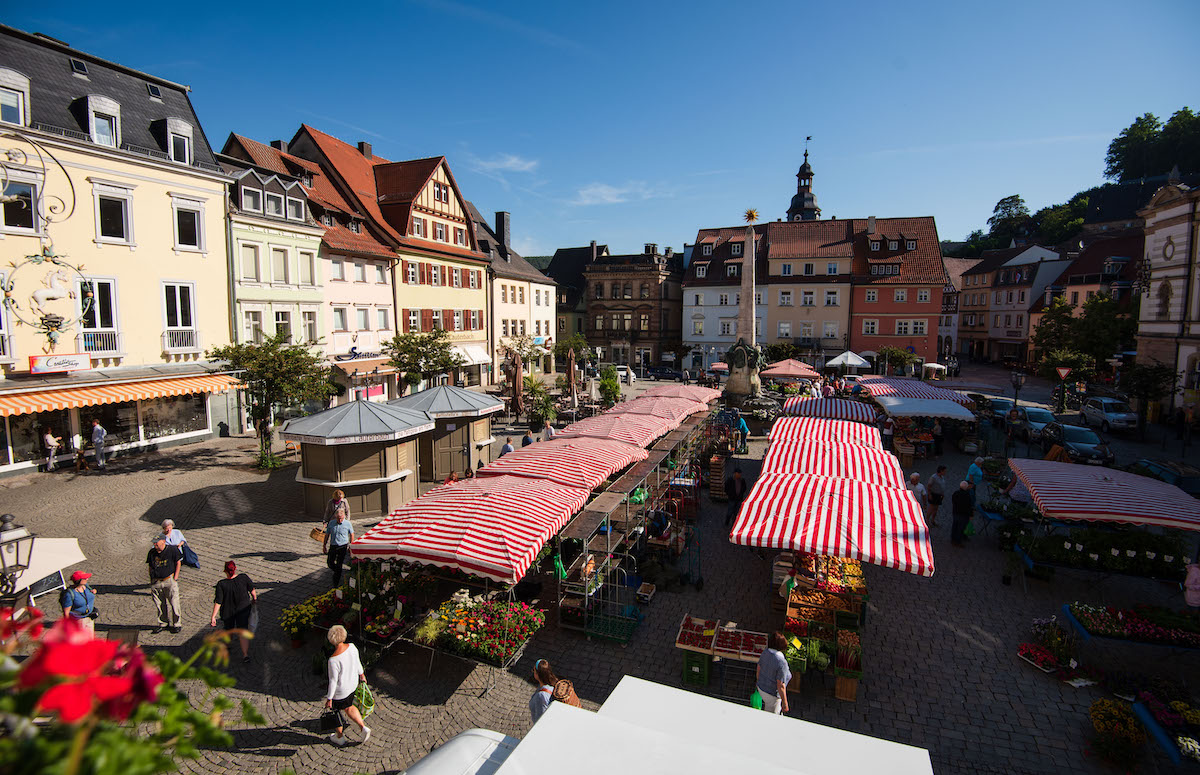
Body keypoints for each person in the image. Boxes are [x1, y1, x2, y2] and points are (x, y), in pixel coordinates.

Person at [324, 625, 370, 746]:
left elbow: (333, 681)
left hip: (340, 692)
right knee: (349, 706)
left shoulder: (333, 660)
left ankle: (339, 737)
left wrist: (329, 698)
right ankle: (363, 727)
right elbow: (358, 662)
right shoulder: (352, 647)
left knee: (336, 713)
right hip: (352, 685)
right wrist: (362, 675)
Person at [210, 560, 257, 662]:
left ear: (225, 571)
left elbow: (218, 601)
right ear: (235, 568)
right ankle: (245, 655)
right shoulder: (243, 578)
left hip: (228, 612)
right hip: (243, 610)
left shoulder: (221, 584)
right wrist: (254, 599)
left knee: (228, 629)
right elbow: (252, 591)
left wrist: (213, 616)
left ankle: (227, 645)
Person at [146, 534, 183, 633]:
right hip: (156, 582)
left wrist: (175, 577)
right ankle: (163, 623)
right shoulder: (152, 552)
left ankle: (177, 624)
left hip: (169, 580)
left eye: (156, 543)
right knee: (159, 604)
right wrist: (151, 579)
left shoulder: (172, 550)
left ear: (163, 541)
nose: (155, 545)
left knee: (174, 603)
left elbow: (178, 562)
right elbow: (150, 565)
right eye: (154, 543)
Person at [756, 631, 791, 714]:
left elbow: (758, 668)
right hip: (772, 695)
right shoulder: (782, 663)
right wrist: (785, 703)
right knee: (771, 716)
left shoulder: (765, 652)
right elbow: (781, 685)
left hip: (761, 688)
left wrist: (759, 682)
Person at [323, 505, 354, 587]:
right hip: (333, 545)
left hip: (343, 546)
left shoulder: (347, 523)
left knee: (339, 563)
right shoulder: (332, 523)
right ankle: (338, 571)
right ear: (335, 517)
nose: (339, 520)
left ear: (344, 516)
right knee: (330, 562)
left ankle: (335, 582)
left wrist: (351, 545)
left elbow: (352, 534)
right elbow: (327, 534)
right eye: (338, 518)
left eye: (341, 518)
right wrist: (324, 545)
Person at [60, 570, 96, 636]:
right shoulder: (69, 594)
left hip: (89, 618)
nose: (87, 579)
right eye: (85, 578)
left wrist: (94, 591)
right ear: (79, 581)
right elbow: (66, 612)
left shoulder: (86, 586)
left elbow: (91, 593)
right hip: (78, 621)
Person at [529, 658, 560, 723]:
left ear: (537, 674)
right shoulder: (553, 683)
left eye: (534, 670)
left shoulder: (541, 696)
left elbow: (539, 720)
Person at [951, 481, 974, 547]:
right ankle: (958, 541)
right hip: (963, 514)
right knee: (960, 528)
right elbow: (969, 506)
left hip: (955, 512)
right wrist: (971, 514)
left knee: (955, 526)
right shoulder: (967, 495)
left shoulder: (956, 493)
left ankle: (953, 539)